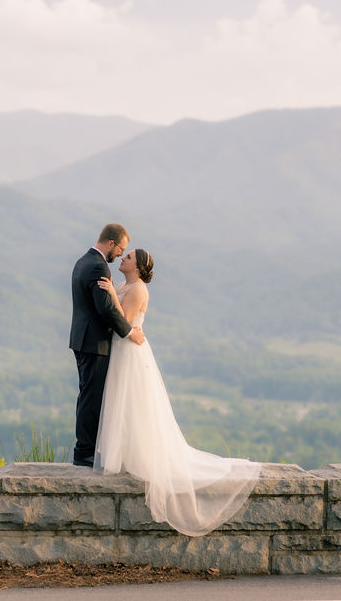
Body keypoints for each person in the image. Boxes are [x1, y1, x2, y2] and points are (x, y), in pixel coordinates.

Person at [94, 248, 261, 536]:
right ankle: (124, 454)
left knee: (134, 401)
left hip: (131, 352)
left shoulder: (137, 289)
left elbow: (124, 320)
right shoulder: (124, 284)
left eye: (129, 257)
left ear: (138, 266)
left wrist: (109, 294)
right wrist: (112, 291)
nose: (123, 259)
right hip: (122, 350)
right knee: (124, 403)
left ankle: (140, 456)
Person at [69, 223, 145, 467]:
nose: (121, 254)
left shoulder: (84, 261)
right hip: (95, 341)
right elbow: (106, 309)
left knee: (88, 394)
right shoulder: (98, 267)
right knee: (92, 397)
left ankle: (88, 449)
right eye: (121, 249)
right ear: (111, 243)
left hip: (84, 339)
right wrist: (129, 332)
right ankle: (85, 452)